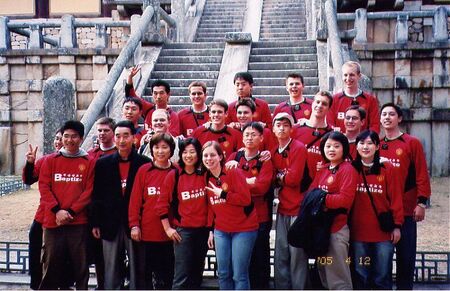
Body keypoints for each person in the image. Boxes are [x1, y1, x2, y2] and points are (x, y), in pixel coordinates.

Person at [90, 120, 150, 289]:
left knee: (138, 267)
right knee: (111, 267)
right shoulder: (103, 163)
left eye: (126, 136)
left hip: (136, 223)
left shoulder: (143, 163)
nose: (122, 140)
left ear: (134, 138)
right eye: (118, 136)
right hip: (110, 222)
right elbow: (97, 195)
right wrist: (95, 222)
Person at [379, 103, 431, 290]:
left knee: (406, 258)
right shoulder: (376, 144)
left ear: (399, 118)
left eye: (391, 114)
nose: (387, 117)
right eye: (383, 114)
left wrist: (422, 202)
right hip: (385, 211)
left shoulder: (411, 142)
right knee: (382, 261)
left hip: (407, 210)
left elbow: (421, 174)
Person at [38, 120, 94, 290]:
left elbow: (88, 191)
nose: (70, 140)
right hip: (53, 221)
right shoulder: (50, 160)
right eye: (66, 136)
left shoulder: (89, 161)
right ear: (61, 138)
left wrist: (70, 211)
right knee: (50, 262)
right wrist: (57, 210)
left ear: (81, 138)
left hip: (77, 222)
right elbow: (44, 187)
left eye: (74, 136)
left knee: (80, 265)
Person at [350, 130, 404, 289]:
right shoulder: (351, 169)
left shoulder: (388, 168)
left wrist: (397, 226)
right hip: (358, 234)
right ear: (357, 146)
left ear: (377, 146)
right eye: (361, 143)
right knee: (361, 273)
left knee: (382, 275)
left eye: (369, 143)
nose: (365, 147)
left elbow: (396, 198)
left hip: (383, 233)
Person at [203, 141, 258, 289]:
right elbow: (210, 207)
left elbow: (246, 200)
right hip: (221, 230)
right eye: (205, 155)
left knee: (239, 274)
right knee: (223, 272)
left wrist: (223, 194)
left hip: (243, 229)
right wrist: (210, 230)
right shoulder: (206, 176)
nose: (209, 159)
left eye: (213, 155)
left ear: (221, 156)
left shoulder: (233, 171)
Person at [156, 138, 209, 289]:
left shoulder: (205, 174)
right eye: (185, 152)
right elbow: (161, 205)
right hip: (183, 232)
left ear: (198, 154)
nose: (188, 155)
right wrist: (167, 228)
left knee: (196, 272)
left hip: (203, 230)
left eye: (192, 152)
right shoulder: (174, 175)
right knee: (181, 275)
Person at [225, 122, 274, 289]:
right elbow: (226, 184)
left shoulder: (265, 161)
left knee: (259, 258)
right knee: (240, 261)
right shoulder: (234, 157)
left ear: (261, 138)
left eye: (254, 135)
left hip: (259, 217)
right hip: (237, 217)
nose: (250, 137)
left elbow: (262, 187)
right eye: (246, 134)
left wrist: (240, 183)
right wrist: (248, 182)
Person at [309, 131, 358, 290]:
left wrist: (322, 199)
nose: (331, 149)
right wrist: (321, 198)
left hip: (337, 229)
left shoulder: (347, 169)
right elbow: (311, 193)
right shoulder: (323, 169)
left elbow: (344, 199)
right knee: (324, 272)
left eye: (336, 146)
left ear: (344, 149)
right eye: (328, 146)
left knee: (338, 277)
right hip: (321, 229)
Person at [129, 133, 176, 289]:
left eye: (164, 147)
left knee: (168, 275)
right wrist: (134, 225)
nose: (160, 151)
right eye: (156, 147)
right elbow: (135, 200)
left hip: (170, 233)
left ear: (171, 150)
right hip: (147, 232)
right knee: (146, 275)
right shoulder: (144, 170)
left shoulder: (177, 170)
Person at [270, 112, 309, 289]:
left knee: (297, 255)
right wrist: (281, 177)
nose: (282, 128)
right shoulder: (272, 150)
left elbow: (294, 179)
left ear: (292, 128)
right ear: (273, 128)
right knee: (281, 254)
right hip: (283, 207)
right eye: (278, 124)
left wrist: (279, 177)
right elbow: (272, 178)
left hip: (298, 209)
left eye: (286, 125)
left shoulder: (299, 148)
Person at [22, 128, 63, 290]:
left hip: (65, 215)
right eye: (57, 138)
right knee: (36, 244)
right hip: (44, 214)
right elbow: (29, 179)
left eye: (63, 138)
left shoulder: (79, 160)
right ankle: (37, 283)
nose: (59, 142)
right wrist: (30, 163)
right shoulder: (46, 160)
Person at [327, 61, 380, 133]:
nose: (348, 78)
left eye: (352, 75)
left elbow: (375, 125)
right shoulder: (334, 99)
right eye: (345, 75)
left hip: (362, 142)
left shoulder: (370, 100)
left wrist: (367, 140)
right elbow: (329, 124)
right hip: (340, 142)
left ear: (359, 76)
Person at [126, 66, 180, 136]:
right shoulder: (148, 109)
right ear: (152, 94)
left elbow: (173, 136)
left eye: (161, 93)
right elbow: (132, 97)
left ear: (168, 94)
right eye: (155, 93)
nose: (158, 97)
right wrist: (130, 78)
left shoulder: (173, 115)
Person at [292, 91, 333, 182]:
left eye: (324, 104)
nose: (319, 106)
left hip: (318, 185)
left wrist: (326, 167)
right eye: (317, 102)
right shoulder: (295, 129)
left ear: (329, 108)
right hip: (296, 185)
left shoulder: (332, 134)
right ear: (312, 103)